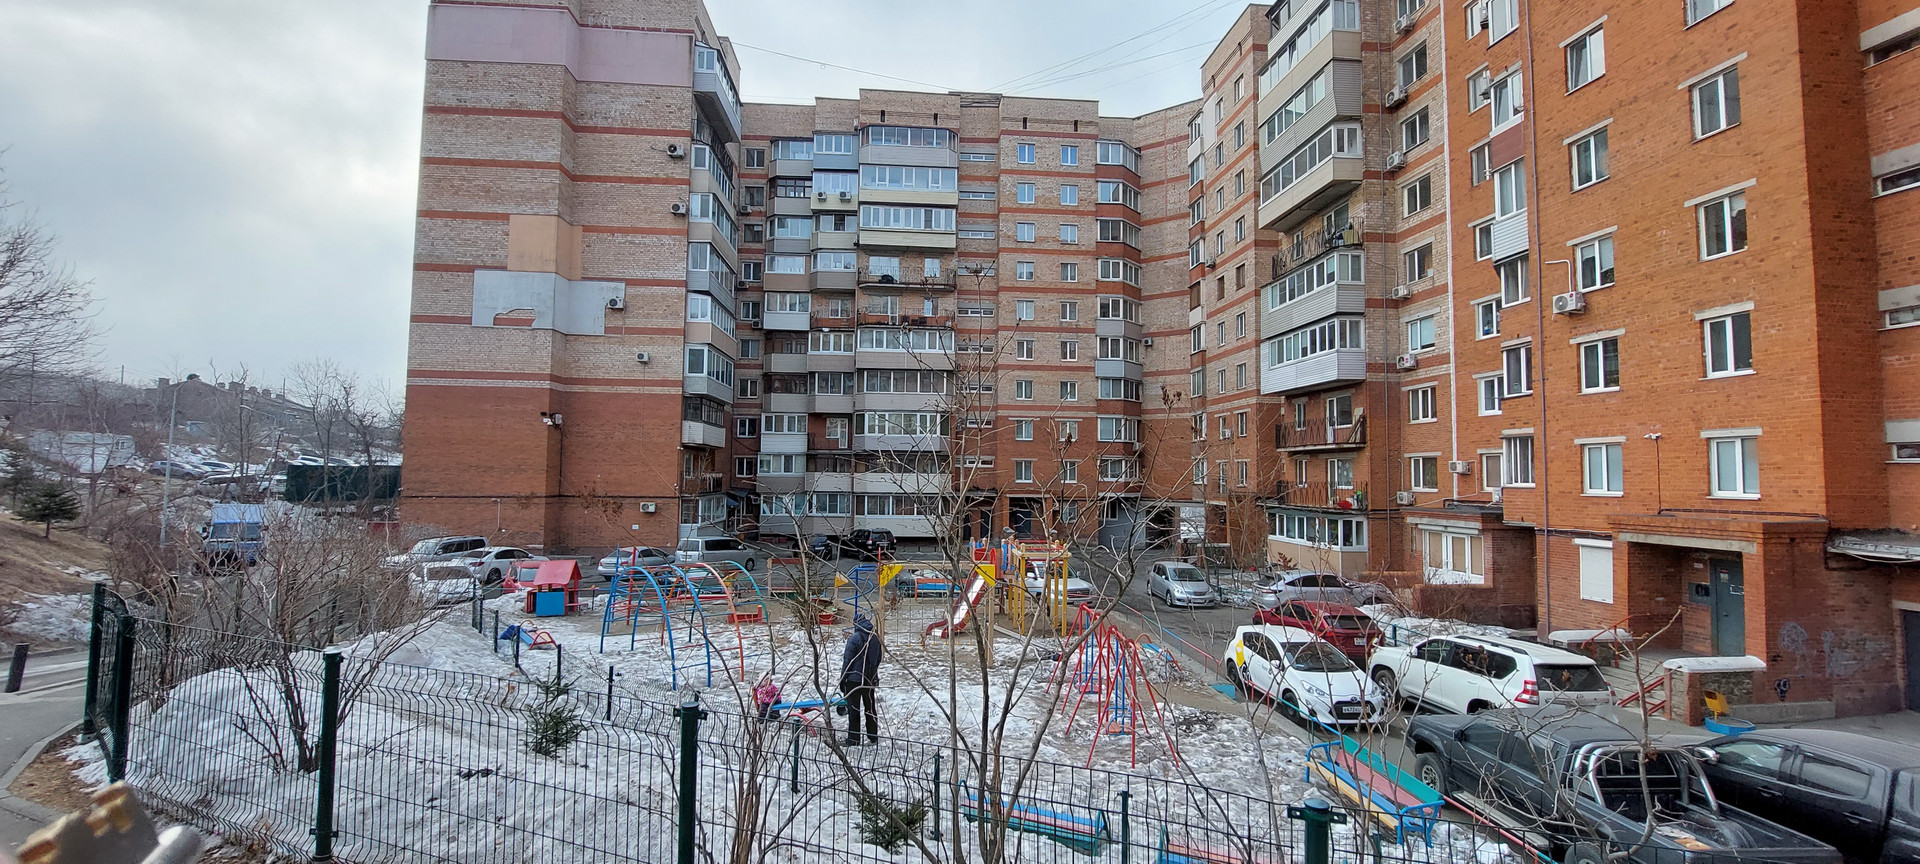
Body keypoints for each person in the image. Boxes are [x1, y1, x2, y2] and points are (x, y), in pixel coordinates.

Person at [838, 612, 882, 746]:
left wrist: (842, 680)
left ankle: (854, 739)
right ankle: (873, 736)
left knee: (854, 710)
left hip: (854, 680)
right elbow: (878, 659)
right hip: (869, 680)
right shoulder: (875, 638)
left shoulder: (854, 638)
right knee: (870, 708)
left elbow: (847, 661)